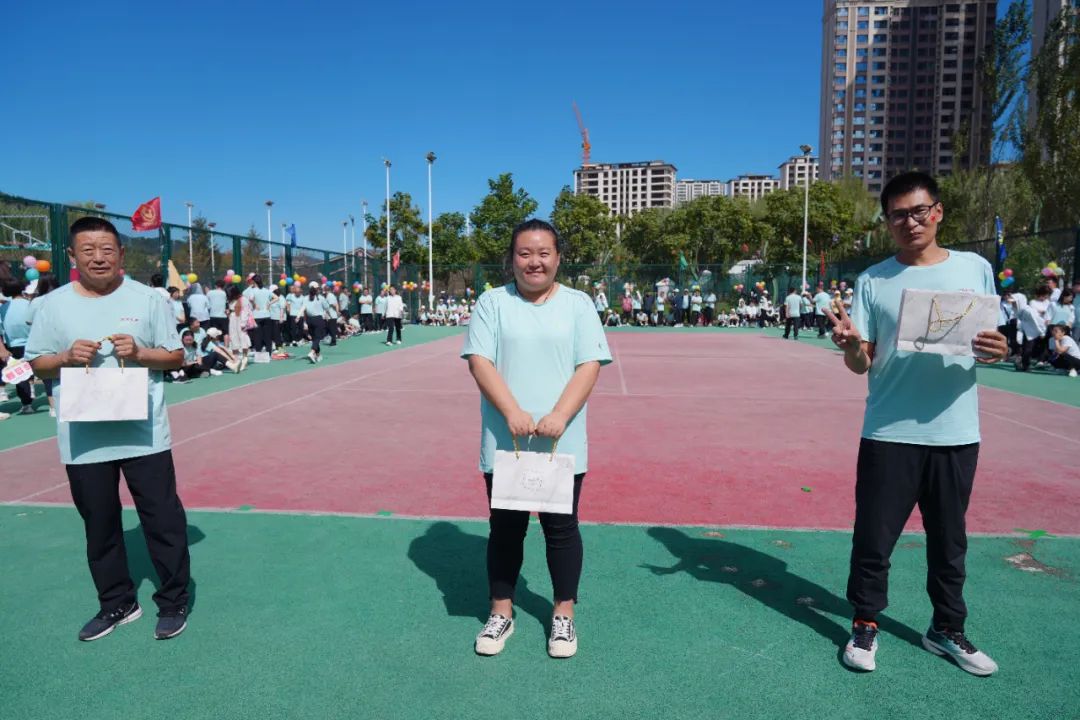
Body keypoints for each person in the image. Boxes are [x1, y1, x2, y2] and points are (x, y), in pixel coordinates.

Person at [825, 172, 1007, 676]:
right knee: (874, 539)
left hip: (956, 432)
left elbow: (989, 345)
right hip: (888, 431)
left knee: (950, 542)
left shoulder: (975, 269)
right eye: (898, 215)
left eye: (918, 211)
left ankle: (946, 628)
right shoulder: (873, 280)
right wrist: (851, 347)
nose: (910, 222)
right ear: (887, 222)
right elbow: (861, 363)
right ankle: (865, 623)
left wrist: (999, 350)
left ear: (938, 212)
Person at [24, 216, 192, 641]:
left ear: (121, 254)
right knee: (99, 525)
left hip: (144, 433)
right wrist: (64, 358)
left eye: (107, 249)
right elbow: (37, 363)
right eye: (88, 250)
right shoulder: (51, 305)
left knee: (163, 520)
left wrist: (140, 352)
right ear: (71, 256)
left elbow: (176, 356)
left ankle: (173, 601)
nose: (98, 258)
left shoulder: (149, 300)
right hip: (83, 438)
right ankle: (117, 602)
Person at [462, 218, 611, 659]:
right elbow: (480, 361)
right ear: (511, 259)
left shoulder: (578, 305)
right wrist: (511, 411)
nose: (534, 262)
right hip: (505, 442)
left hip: (560, 444)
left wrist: (560, 415)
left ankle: (563, 615)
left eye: (544, 253)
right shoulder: (492, 302)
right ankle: (501, 612)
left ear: (558, 258)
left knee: (561, 529)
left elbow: (589, 365)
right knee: (505, 529)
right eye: (524, 253)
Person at [0, 277, 36, 414]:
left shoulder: (3, 308)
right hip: (33, 343)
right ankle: (52, 404)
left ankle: (27, 405)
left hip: (14, 346)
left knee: (21, 376)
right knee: (45, 375)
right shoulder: (30, 304)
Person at [226, 285, 252, 371]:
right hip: (232, 319)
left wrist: (243, 323)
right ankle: (236, 360)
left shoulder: (243, 299)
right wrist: (228, 313)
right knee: (233, 338)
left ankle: (244, 358)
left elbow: (246, 311)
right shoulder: (230, 300)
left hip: (240, 319)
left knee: (243, 337)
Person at [302, 282, 327, 363]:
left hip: (309, 320)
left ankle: (318, 354)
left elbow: (304, 311)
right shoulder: (320, 298)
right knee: (317, 338)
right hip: (318, 319)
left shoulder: (305, 298)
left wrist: (305, 322)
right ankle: (312, 352)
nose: (318, 290)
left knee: (314, 338)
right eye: (317, 288)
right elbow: (327, 307)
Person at [248, 275, 273, 353]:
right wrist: (269, 303)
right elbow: (276, 297)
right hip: (267, 315)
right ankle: (269, 351)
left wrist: (255, 304)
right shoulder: (266, 290)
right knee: (267, 334)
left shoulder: (253, 290)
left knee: (257, 335)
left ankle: (258, 351)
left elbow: (251, 299)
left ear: (254, 282)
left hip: (257, 315)